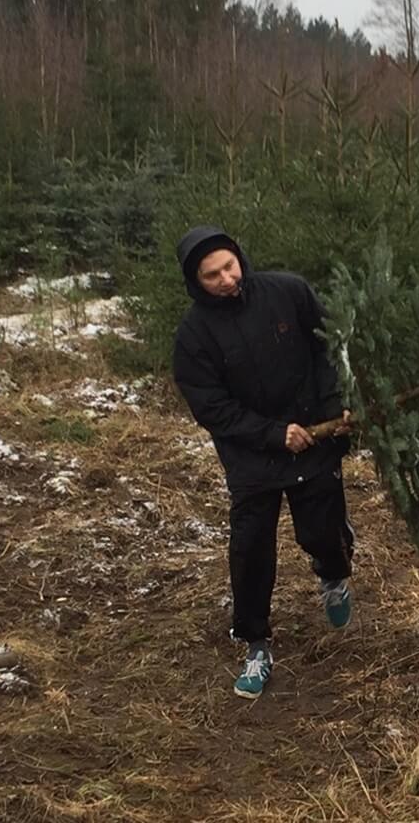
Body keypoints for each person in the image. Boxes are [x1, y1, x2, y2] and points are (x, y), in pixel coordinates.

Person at [170, 226, 356, 701]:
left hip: (314, 438)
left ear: (239, 257)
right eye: (212, 276)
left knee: (322, 530)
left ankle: (333, 574)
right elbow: (211, 407)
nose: (226, 279)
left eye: (229, 266)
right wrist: (272, 434)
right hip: (252, 456)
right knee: (250, 551)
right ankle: (255, 643)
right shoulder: (194, 335)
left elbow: (327, 348)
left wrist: (334, 405)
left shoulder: (288, 292)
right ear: (196, 281)